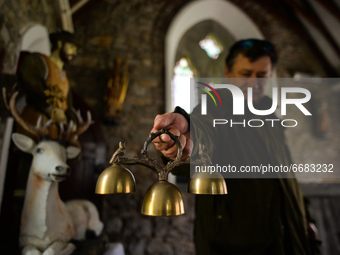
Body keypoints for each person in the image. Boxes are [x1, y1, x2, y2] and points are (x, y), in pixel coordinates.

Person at [151, 39, 312, 255]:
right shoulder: (217, 106)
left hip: (285, 241)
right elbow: (204, 128)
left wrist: (304, 221)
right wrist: (188, 142)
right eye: (245, 74)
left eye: (261, 75)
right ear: (228, 72)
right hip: (233, 247)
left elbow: (285, 178)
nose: (254, 82)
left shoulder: (270, 117)